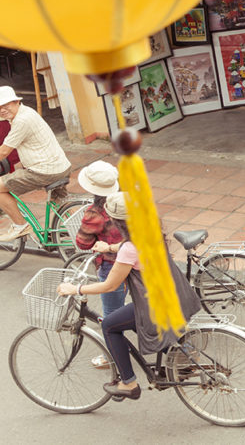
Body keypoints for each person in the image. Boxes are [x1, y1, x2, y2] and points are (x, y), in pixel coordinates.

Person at [57, 192, 200, 400]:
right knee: (132, 319)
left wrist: (75, 289)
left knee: (109, 325)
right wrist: (110, 247)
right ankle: (184, 357)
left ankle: (128, 383)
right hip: (177, 293)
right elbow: (131, 248)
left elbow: (110, 285)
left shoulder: (129, 249)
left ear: (116, 221)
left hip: (156, 304)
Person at [0, 85, 71, 241]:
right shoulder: (26, 112)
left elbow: (3, 152)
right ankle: (79, 229)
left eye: (6, 105)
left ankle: (20, 225)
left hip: (44, 171)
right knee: (60, 204)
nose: (3, 110)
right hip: (60, 166)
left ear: (16, 102)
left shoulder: (22, 121)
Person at [73, 160, 124, 369]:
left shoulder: (95, 213)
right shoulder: (127, 200)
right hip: (137, 260)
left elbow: (82, 243)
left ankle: (113, 355)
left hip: (112, 265)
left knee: (111, 315)